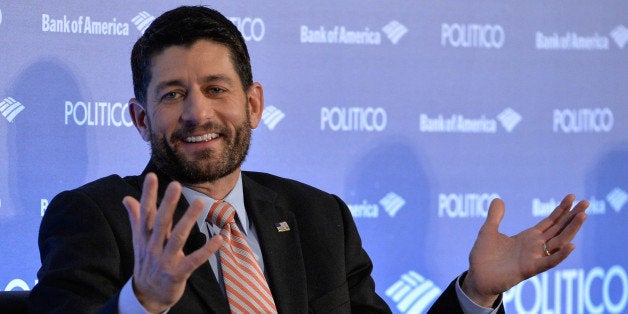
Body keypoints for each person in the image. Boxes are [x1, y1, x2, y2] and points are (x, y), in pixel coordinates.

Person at [28, 5, 588, 313]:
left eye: (217, 89)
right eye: (173, 94)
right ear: (140, 118)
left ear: (253, 104)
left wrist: (476, 293)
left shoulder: (321, 218)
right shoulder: (96, 218)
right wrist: (142, 302)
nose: (198, 113)